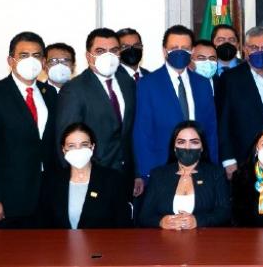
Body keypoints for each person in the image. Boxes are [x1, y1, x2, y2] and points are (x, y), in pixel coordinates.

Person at [0, 31, 59, 228]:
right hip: (7, 201)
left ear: (44, 61)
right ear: (11, 60)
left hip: (47, 197)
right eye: (23, 55)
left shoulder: (50, 93)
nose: (31, 60)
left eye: (36, 55)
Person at [56, 28, 140, 197]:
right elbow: (65, 141)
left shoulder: (128, 82)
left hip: (126, 177)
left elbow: (131, 133)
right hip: (92, 178)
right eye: (100, 51)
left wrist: (137, 173)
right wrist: (76, 181)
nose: (108, 56)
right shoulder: (74, 89)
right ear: (89, 56)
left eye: (114, 50)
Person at [134, 25, 219, 180]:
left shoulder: (203, 84)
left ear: (192, 50)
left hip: (200, 167)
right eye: (174, 48)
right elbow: (143, 133)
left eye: (185, 48)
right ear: (164, 51)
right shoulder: (147, 84)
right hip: (161, 168)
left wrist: (213, 166)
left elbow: (211, 129)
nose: (180, 52)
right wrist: (147, 173)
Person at [137, 121, 230, 229]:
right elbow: (144, 216)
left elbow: (225, 212)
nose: (187, 147)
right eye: (181, 142)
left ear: (202, 147)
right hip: (165, 238)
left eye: (194, 142)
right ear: (174, 147)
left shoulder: (216, 173)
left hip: (204, 237)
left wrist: (197, 221)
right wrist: (161, 222)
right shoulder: (158, 175)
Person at [39, 123, 132, 228]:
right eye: (71, 146)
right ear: (63, 150)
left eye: (84, 145)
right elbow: (44, 223)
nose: (78, 150)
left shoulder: (112, 180)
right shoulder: (51, 181)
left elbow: (123, 224)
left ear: (92, 147)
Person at [219, 27, 263, 178]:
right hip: (244, 159)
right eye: (254, 48)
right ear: (245, 50)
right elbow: (224, 122)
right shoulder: (230, 79)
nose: (259, 52)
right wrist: (228, 160)